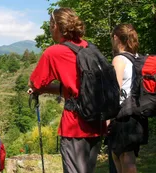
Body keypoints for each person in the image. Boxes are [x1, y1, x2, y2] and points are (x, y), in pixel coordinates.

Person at [27, 7, 104, 173]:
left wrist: (40, 89)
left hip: (75, 124)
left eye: (50, 25)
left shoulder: (54, 52)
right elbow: (74, 88)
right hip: (97, 122)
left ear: (55, 26)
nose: (49, 29)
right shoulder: (90, 48)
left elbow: (35, 83)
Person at [109, 23, 148, 173]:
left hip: (123, 115)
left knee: (125, 158)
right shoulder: (137, 58)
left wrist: (107, 119)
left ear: (116, 38)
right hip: (138, 113)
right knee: (121, 155)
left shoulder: (119, 59)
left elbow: (114, 91)